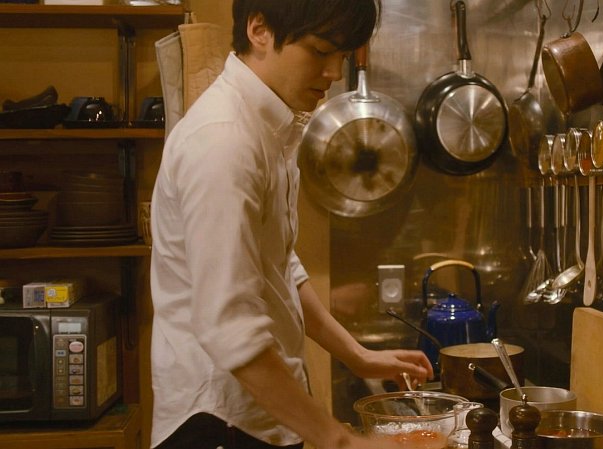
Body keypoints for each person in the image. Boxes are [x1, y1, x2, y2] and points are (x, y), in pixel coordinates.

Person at [148, 1, 433, 449]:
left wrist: (358, 356)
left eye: (341, 56)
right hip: (220, 422)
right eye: (320, 51)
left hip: (260, 415)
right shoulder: (224, 142)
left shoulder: (269, 127)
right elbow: (229, 328)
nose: (333, 73)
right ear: (259, 30)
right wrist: (341, 441)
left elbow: (278, 267)